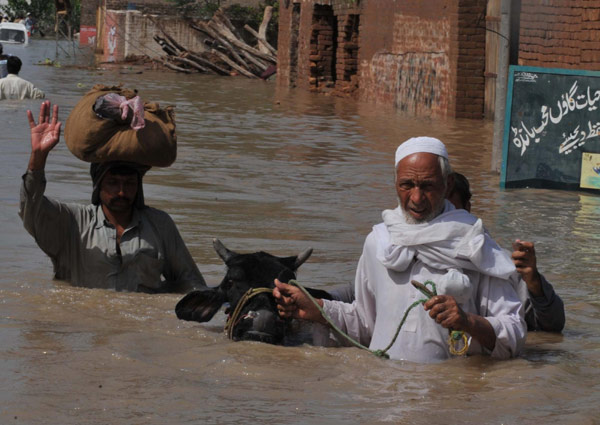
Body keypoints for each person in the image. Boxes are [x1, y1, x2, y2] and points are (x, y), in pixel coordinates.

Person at [273, 137, 526, 363]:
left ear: (447, 185)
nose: (416, 198)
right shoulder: (380, 242)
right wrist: (318, 309)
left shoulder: (474, 243)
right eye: (407, 185)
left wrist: (467, 321)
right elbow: (365, 324)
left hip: (448, 403)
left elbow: (514, 333)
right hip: (385, 399)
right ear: (395, 183)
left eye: (427, 186)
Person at [19, 101, 207, 293]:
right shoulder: (72, 222)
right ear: (98, 184)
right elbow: (31, 211)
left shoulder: (160, 225)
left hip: (139, 322)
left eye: (129, 184)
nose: (121, 192)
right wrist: (38, 158)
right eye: (113, 183)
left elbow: (190, 282)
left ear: (138, 185)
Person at [448, 172, 565, 332]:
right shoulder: (405, 257)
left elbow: (552, 327)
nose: (444, 223)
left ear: (467, 209)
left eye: (451, 212)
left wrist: (534, 282)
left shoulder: (497, 264)